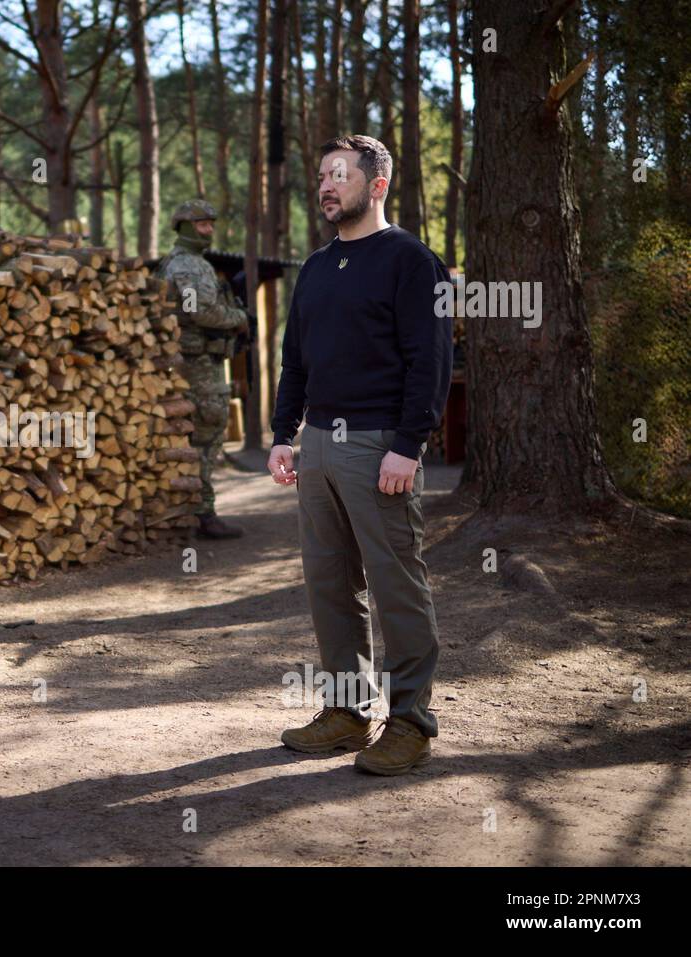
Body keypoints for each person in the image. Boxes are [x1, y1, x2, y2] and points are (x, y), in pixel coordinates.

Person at [268, 135, 453, 775]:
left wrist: (409, 445)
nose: (325, 185)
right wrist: (280, 434)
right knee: (329, 585)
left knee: (396, 585)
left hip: (379, 447)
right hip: (317, 445)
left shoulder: (410, 261)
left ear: (375, 185)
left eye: (338, 174)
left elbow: (430, 361)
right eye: (320, 174)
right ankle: (347, 712)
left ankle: (410, 724)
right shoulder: (317, 269)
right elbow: (296, 361)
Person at [156, 199, 248, 539]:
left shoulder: (179, 262)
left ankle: (190, 512)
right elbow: (202, 313)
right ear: (183, 226)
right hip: (197, 366)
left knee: (196, 438)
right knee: (207, 436)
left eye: (211, 223)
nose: (208, 230)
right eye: (201, 224)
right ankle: (203, 514)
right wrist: (239, 319)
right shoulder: (189, 266)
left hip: (191, 363)